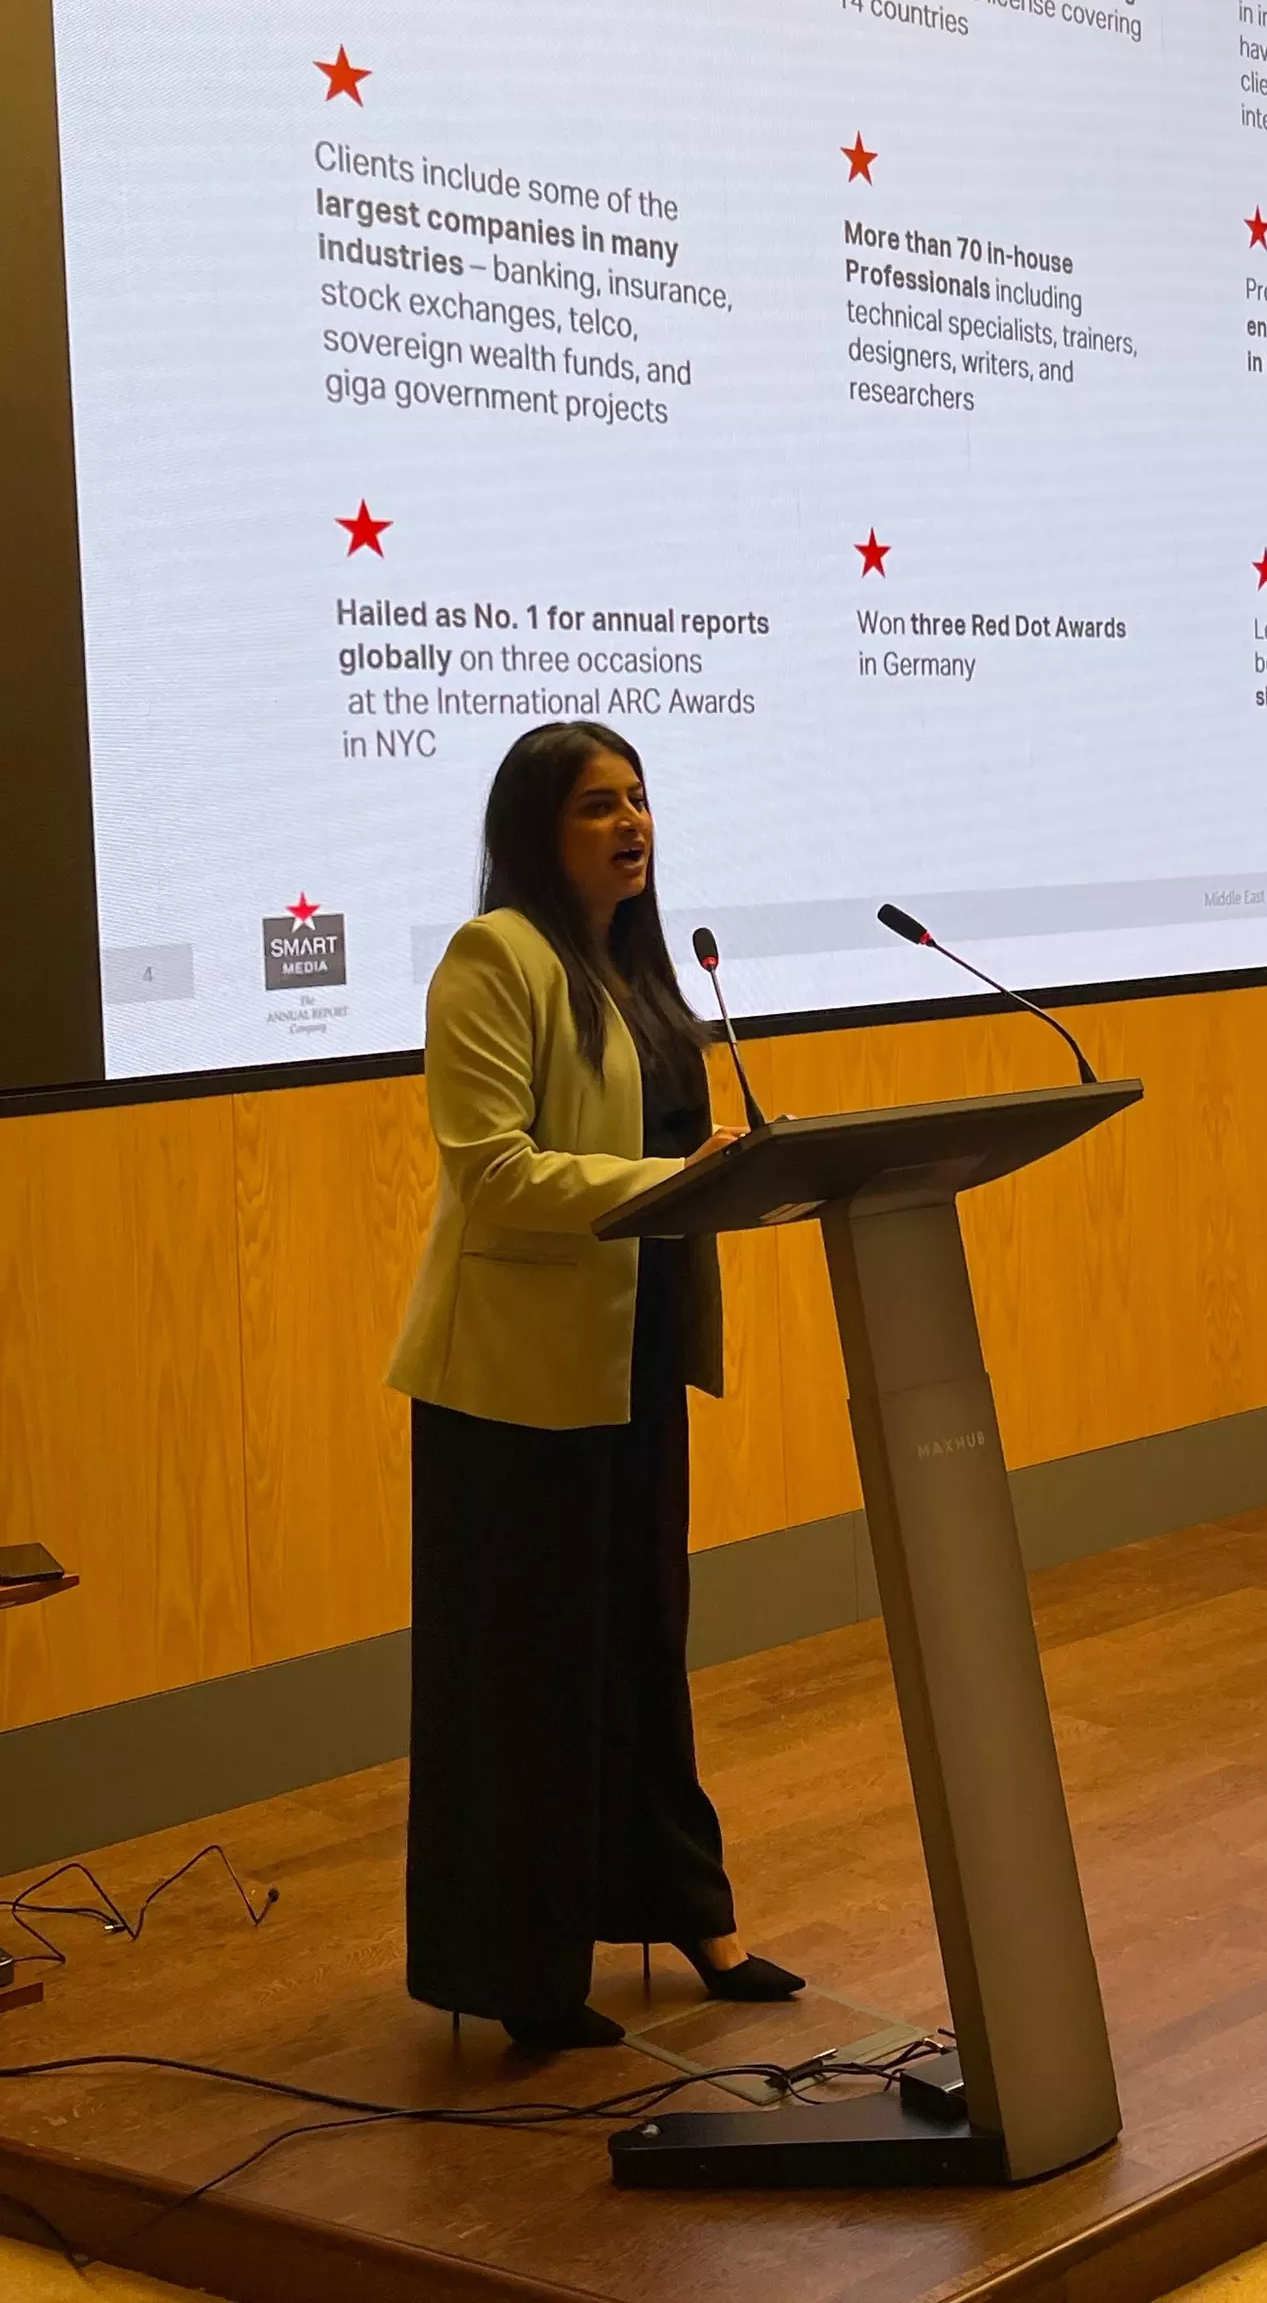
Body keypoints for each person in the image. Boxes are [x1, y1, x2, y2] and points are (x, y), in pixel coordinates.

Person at [388, 720, 804, 2050]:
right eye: (596, 806)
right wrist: (673, 1181)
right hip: (514, 1382)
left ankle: (684, 1906)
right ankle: (523, 1970)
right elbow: (491, 1169)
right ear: (535, 830)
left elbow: (660, 1144)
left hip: (634, 1358)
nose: (631, 824)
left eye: (638, 798)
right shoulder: (494, 958)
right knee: (531, 1678)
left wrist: (725, 1170)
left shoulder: (639, 968)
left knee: (641, 1647)